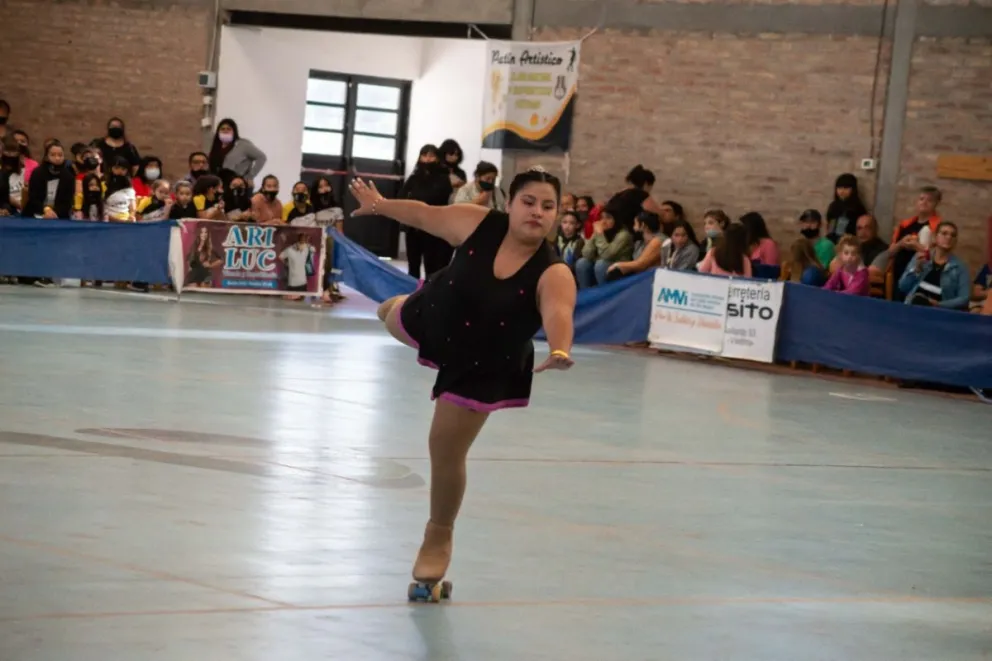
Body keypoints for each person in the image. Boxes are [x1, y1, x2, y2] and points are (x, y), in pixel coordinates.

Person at [348, 167, 576, 597]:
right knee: (387, 315)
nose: (537, 212)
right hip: (438, 315)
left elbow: (558, 314)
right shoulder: (477, 223)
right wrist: (379, 205)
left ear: (558, 215)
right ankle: (403, 299)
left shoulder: (554, 272)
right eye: (529, 202)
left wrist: (560, 349)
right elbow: (425, 214)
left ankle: (439, 532)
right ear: (510, 204)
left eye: (549, 207)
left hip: (486, 361)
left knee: (444, 448)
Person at [399, 144, 453, 279]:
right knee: (413, 264)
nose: (427, 159)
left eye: (431, 156)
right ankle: (412, 294)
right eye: (424, 155)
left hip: (432, 226)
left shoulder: (443, 178)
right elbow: (401, 195)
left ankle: (428, 295)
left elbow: (440, 197)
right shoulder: (414, 177)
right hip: (413, 226)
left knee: (431, 264)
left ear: (437, 158)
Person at [898, 221, 970, 310]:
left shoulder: (959, 267)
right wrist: (916, 269)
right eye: (944, 233)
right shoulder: (921, 257)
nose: (949, 237)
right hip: (913, 306)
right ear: (935, 237)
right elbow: (902, 287)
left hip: (939, 312)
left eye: (953, 235)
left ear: (955, 241)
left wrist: (939, 304)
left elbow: (964, 298)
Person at [606, 211, 665, 281]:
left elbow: (640, 264)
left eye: (635, 224)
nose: (633, 227)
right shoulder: (640, 242)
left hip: (652, 277)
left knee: (615, 269)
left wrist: (618, 265)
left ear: (643, 225)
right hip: (640, 275)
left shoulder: (658, 240)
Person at [208, 118, 267, 187]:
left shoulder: (243, 145)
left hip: (237, 185)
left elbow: (262, 157)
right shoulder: (216, 147)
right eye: (222, 129)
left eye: (228, 129)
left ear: (234, 131)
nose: (225, 131)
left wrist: (249, 177)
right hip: (219, 185)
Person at [825, 173, 867, 240]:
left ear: (853, 189)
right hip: (832, 241)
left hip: (849, 243)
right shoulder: (833, 206)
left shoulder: (858, 208)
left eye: (846, 188)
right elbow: (829, 226)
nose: (841, 191)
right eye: (839, 188)